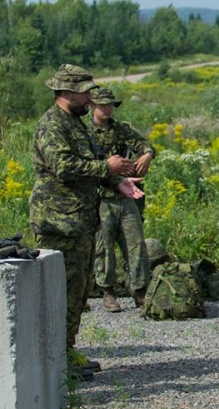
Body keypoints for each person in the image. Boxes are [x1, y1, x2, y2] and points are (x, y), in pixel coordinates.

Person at [30, 64, 143, 380]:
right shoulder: (52, 125)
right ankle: (54, 363)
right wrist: (107, 167)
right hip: (58, 223)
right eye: (85, 92)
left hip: (80, 221)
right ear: (66, 93)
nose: (90, 98)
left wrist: (115, 182)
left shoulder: (74, 124)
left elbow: (88, 168)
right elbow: (65, 167)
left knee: (78, 295)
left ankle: (65, 352)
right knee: (59, 294)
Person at [87, 86, 154, 312]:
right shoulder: (85, 132)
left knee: (135, 244)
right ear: (92, 106)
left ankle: (140, 290)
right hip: (101, 197)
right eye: (102, 105)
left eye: (110, 105)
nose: (107, 109)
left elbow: (144, 144)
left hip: (126, 197)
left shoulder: (121, 129)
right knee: (103, 247)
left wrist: (147, 154)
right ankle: (107, 291)